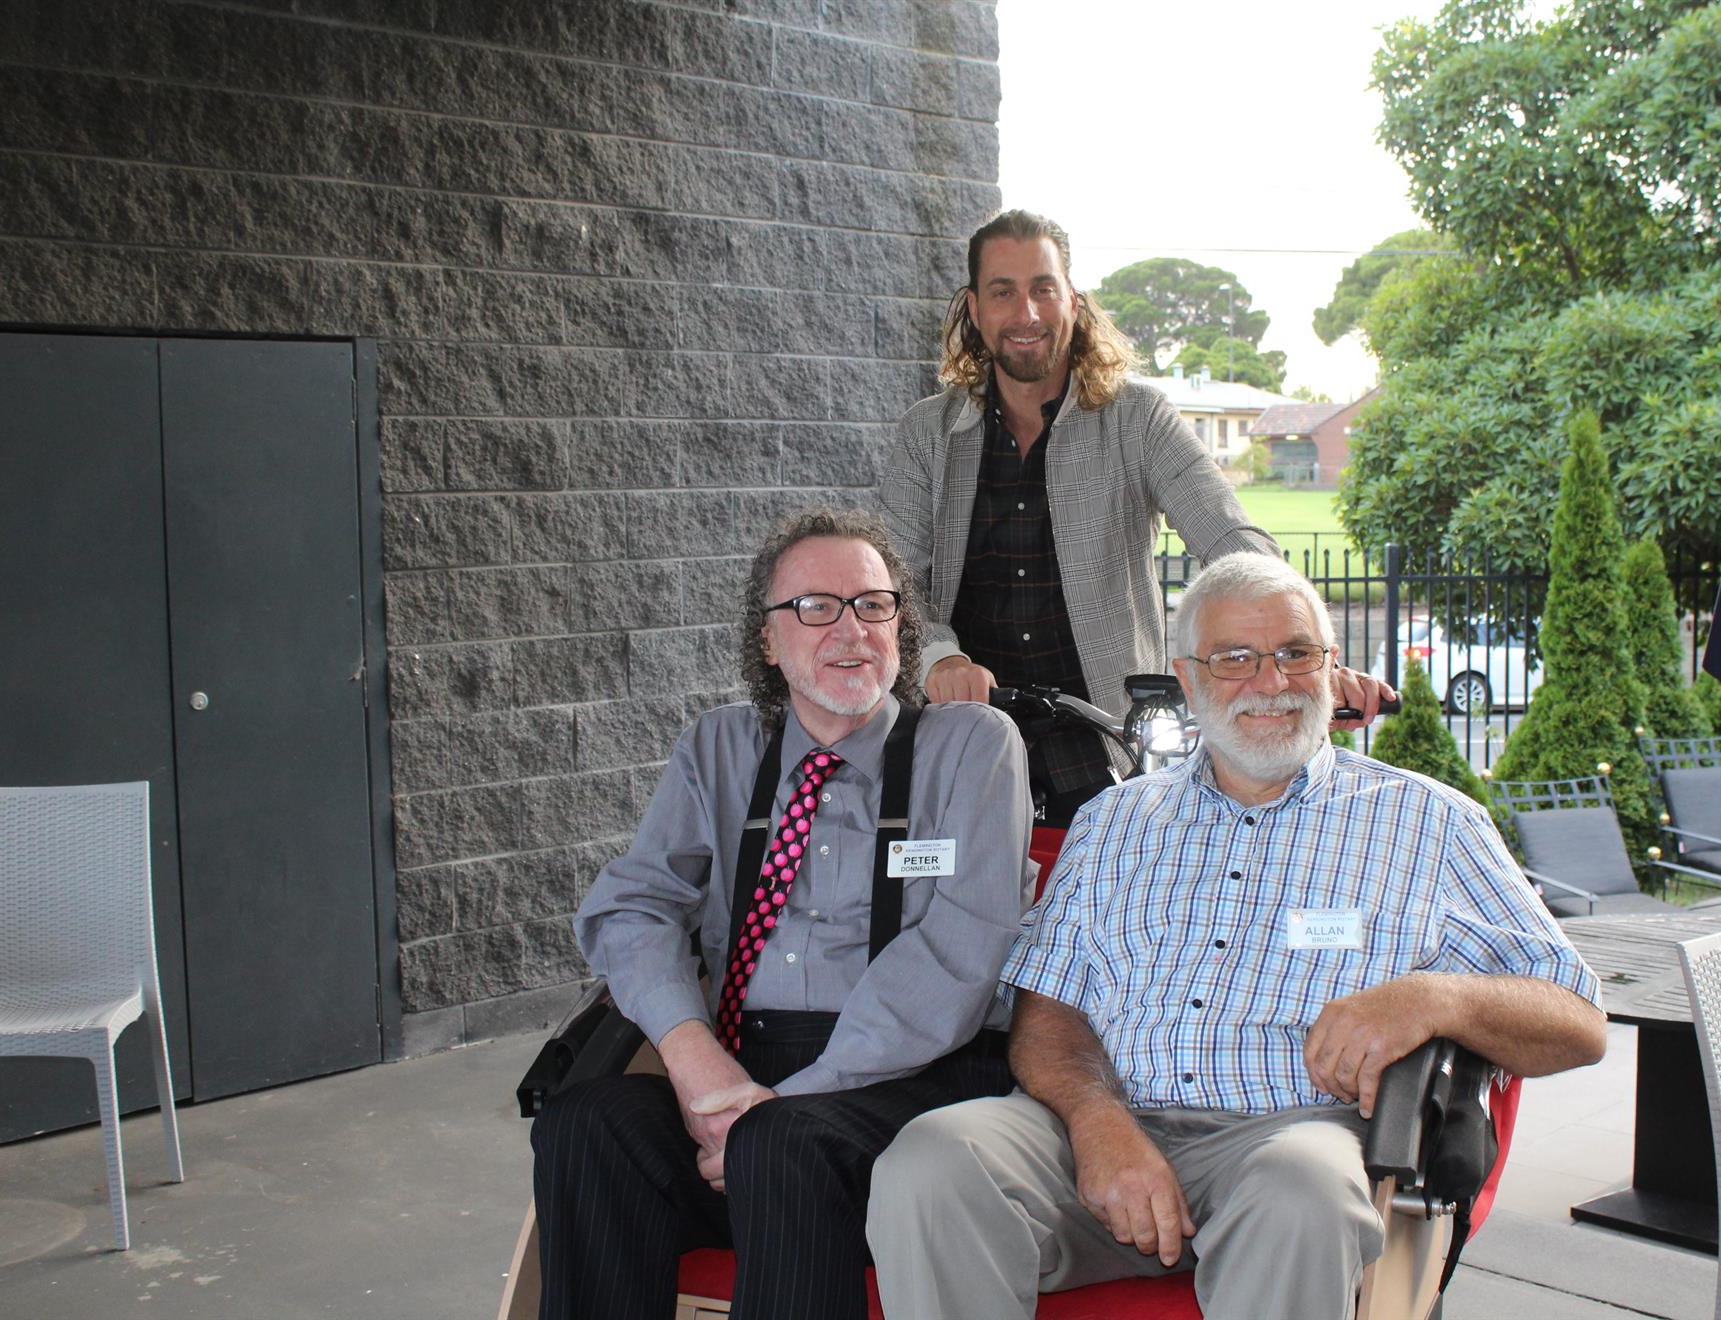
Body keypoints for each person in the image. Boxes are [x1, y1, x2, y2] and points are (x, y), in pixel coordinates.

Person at [865, 552, 1606, 1319]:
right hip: (1098, 1125)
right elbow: (1048, 1008)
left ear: (1332, 668)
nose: (1271, 681)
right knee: (933, 1161)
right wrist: (1097, 1123)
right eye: (1235, 659)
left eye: (1296, 653)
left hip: (1293, 1136)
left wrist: (1434, 997)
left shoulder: (1431, 822)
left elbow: (1579, 1020)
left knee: (1304, 1189)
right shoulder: (1113, 821)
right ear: (1187, 681)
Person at [529, 509, 1032, 1320]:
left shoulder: (971, 746)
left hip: (916, 1072)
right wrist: (695, 1064)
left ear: (901, 627)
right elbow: (631, 906)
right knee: (585, 1128)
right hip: (739, 1063)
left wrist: (774, 1108)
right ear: (767, 639)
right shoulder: (718, 748)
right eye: (815, 607)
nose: (851, 630)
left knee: (778, 1145)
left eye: (873, 605)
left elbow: (960, 956)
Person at [877, 208, 1388, 816]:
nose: (1027, 313)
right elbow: (891, 583)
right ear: (974, 308)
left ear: (1073, 302)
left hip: (1109, 743)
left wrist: (1301, 651)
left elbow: (1233, 540)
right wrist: (941, 658)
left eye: (1044, 289)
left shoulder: (1138, 418)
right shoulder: (927, 433)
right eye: (1003, 292)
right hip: (962, 738)